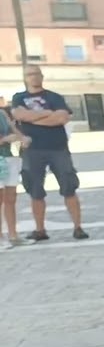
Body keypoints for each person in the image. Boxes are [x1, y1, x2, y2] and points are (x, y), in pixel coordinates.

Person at [10, 65, 87, 242]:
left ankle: (78, 227)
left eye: (36, 74)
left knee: (69, 186)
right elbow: (20, 115)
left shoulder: (55, 97)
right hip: (32, 150)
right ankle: (40, 230)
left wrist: (33, 117)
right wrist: (47, 114)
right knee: (35, 189)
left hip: (58, 148)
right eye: (30, 74)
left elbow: (61, 118)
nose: (34, 77)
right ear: (25, 78)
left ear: (42, 76)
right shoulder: (19, 97)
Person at [0, 99, 30, 248]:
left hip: (9, 158)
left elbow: (13, 129)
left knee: (11, 198)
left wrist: (21, 137)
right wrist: (4, 139)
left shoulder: (2, 113)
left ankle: (13, 234)